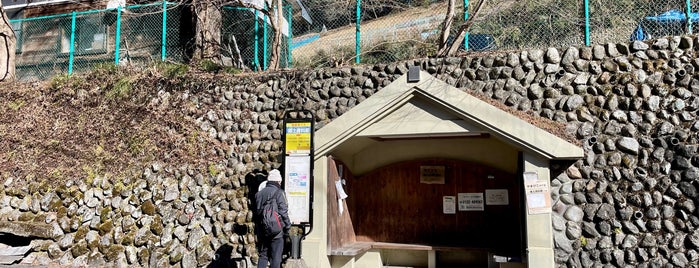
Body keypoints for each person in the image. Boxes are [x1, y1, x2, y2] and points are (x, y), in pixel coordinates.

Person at [255, 169, 291, 268]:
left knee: (263, 255)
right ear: (278, 181)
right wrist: (287, 226)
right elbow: (283, 212)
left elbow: (257, 213)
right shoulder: (279, 193)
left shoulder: (259, 194)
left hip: (263, 229)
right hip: (277, 230)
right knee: (276, 257)